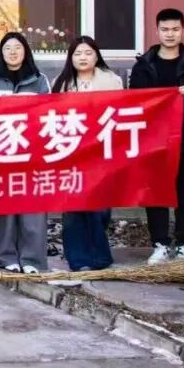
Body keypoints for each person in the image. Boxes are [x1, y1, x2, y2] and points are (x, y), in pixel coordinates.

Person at [129, 8, 184, 264]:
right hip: (154, 141)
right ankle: (160, 243)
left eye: (175, 29)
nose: (170, 34)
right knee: (155, 193)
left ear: (183, 31)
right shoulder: (144, 65)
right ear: (157, 31)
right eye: (165, 29)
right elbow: (133, 101)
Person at [52, 36, 122, 272]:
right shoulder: (61, 83)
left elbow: (122, 114)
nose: (83, 58)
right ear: (71, 58)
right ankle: (78, 258)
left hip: (101, 153)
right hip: (71, 153)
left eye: (88, 53)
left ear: (96, 56)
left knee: (99, 207)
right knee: (73, 208)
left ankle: (99, 256)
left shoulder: (112, 81)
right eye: (78, 53)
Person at [0, 31, 51, 273]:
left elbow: (49, 113)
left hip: (31, 153)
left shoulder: (39, 80)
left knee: (33, 207)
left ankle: (32, 259)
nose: (12, 52)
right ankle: (5, 257)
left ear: (26, 52)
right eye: (7, 48)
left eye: (17, 48)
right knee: (2, 208)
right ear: (1, 53)